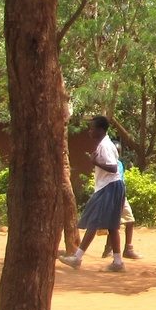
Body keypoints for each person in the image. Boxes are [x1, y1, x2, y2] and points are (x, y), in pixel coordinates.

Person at [58, 116, 127, 273]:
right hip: (110, 186)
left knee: (94, 222)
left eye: (92, 128)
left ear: (101, 130)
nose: (90, 131)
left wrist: (95, 162)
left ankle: (77, 258)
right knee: (112, 226)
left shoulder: (105, 146)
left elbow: (113, 168)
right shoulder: (105, 144)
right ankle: (117, 262)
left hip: (109, 187)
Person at [102, 153, 143, 261]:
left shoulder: (119, 164)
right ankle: (108, 249)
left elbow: (121, 178)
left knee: (130, 220)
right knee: (114, 224)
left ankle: (128, 249)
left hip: (121, 195)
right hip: (111, 195)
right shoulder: (106, 164)